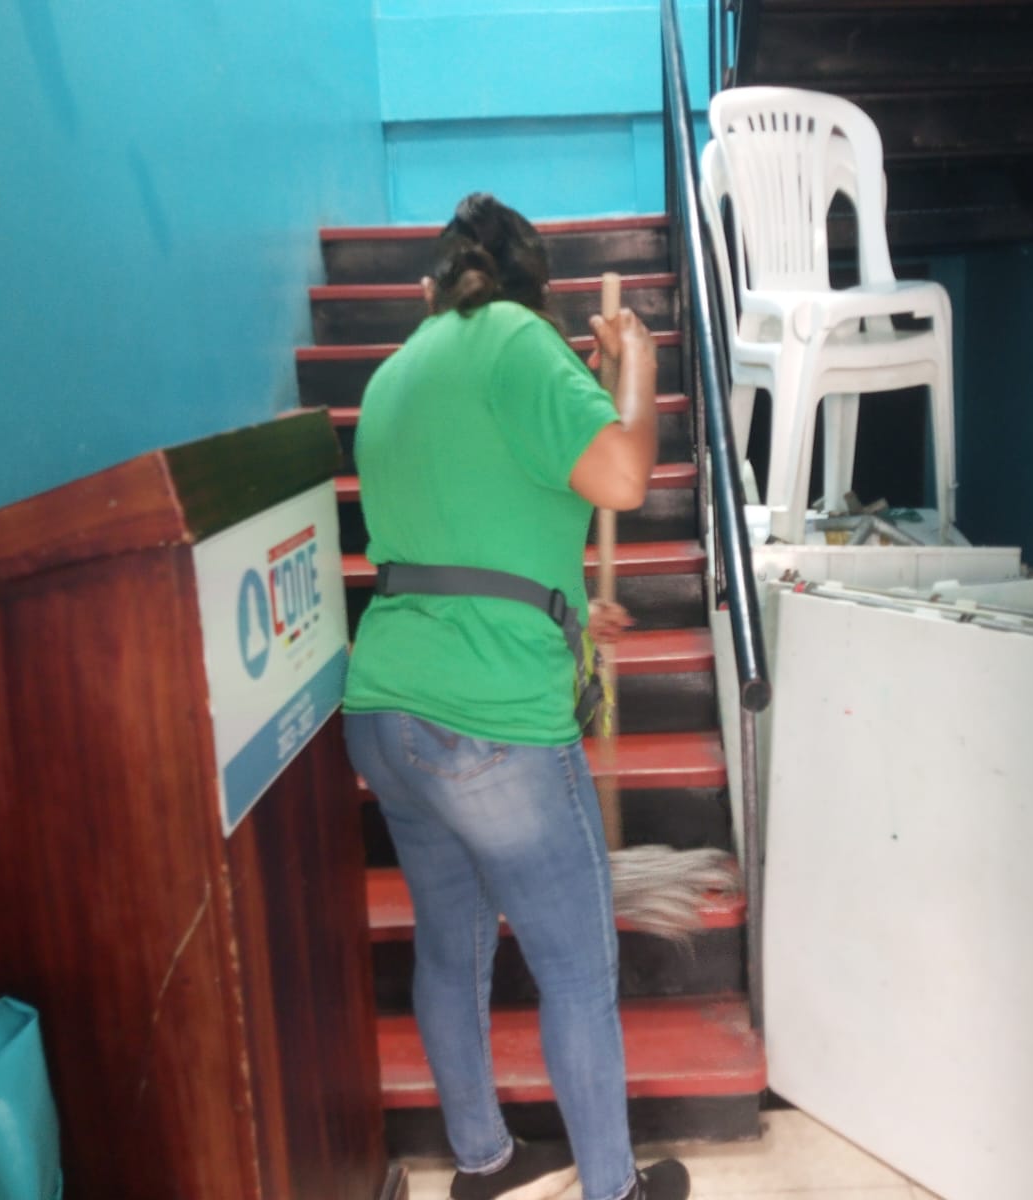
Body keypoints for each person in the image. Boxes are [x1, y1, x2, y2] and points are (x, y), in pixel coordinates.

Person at [342, 193, 691, 1200]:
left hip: (386, 711)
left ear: (433, 283)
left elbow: (484, 521)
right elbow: (621, 476)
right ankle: (614, 1190)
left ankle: (482, 1162)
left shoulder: (394, 373)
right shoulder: (516, 341)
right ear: (536, 291)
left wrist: (571, 613)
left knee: (450, 951)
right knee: (577, 969)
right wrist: (638, 370)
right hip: (490, 726)